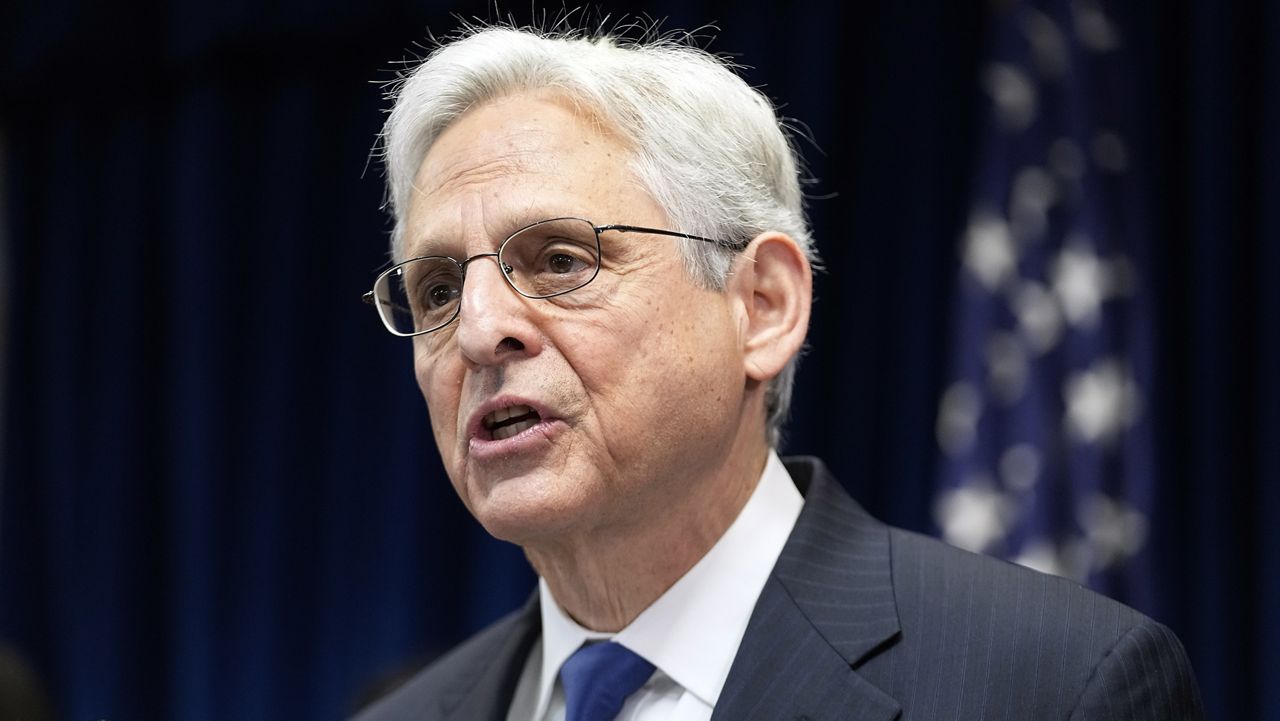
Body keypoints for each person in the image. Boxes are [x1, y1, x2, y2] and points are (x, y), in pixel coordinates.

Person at [354, 23, 1205, 721]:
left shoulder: (1053, 686)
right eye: (436, 288)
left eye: (560, 259)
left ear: (761, 306)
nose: (477, 330)